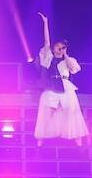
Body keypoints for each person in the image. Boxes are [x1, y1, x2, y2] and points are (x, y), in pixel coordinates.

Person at [35, 12, 89, 147]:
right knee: (47, 113)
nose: (60, 49)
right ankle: (40, 140)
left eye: (63, 47)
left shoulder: (69, 60)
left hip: (66, 87)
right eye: (58, 47)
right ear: (54, 48)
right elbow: (46, 42)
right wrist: (45, 23)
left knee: (72, 113)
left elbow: (73, 68)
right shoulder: (48, 58)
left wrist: (65, 55)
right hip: (51, 87)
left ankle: (78, 141)